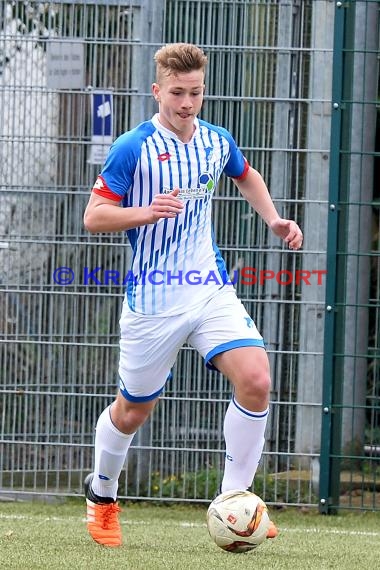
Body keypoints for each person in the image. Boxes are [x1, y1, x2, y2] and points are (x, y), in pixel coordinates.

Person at [83, 42, 303, 547]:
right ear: (157, 90)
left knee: (256, 378)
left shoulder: (216, 140)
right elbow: (94, 216)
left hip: (208, 288)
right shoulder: (132, 147)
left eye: (196, 93)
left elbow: (247, 176)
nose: (186, 102)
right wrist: (145, 212)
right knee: (132, 411)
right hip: (155, 300)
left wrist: (274, 219)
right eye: (177, 92)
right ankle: (102, 494)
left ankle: (235, 503)